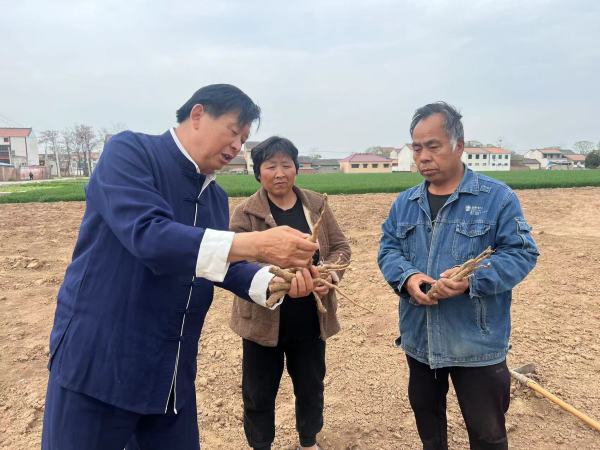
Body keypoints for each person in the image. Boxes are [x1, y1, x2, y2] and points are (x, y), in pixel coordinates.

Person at [41, 84, 320, 450]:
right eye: (233, 131)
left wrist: (274, 281)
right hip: (99, 368)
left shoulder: (215, 197)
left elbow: (218, 262)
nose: (237, 146)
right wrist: (258, 244)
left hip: (170, 373)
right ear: (198, 115)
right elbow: (149, 236)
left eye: (243, 139)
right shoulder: (131, 153)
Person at [377, 102, 539, 450]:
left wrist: (470, 282)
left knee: (487, 435)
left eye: (433, 146)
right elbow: (388, 249)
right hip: (420, 340)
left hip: (477, 343)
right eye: (417, 148)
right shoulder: (405, 203)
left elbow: (522, 253)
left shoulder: (496, 198)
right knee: (430, 430)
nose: (423, 156)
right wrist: (408, 277)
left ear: (459, 145)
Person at [229, 136, 351, 450]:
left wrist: (328, 275)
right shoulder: (246, 213)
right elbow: (237, 263)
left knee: (311, 388)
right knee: (258, 394)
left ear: (296, 168)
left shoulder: (317, 204)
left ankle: (308, 442)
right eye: (271, 166)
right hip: (262, 322)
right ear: (258, 172)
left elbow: (340, 247)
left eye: (286, 165)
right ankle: (261, 445)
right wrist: (275, 279)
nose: (280, 173)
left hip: (310, 319)